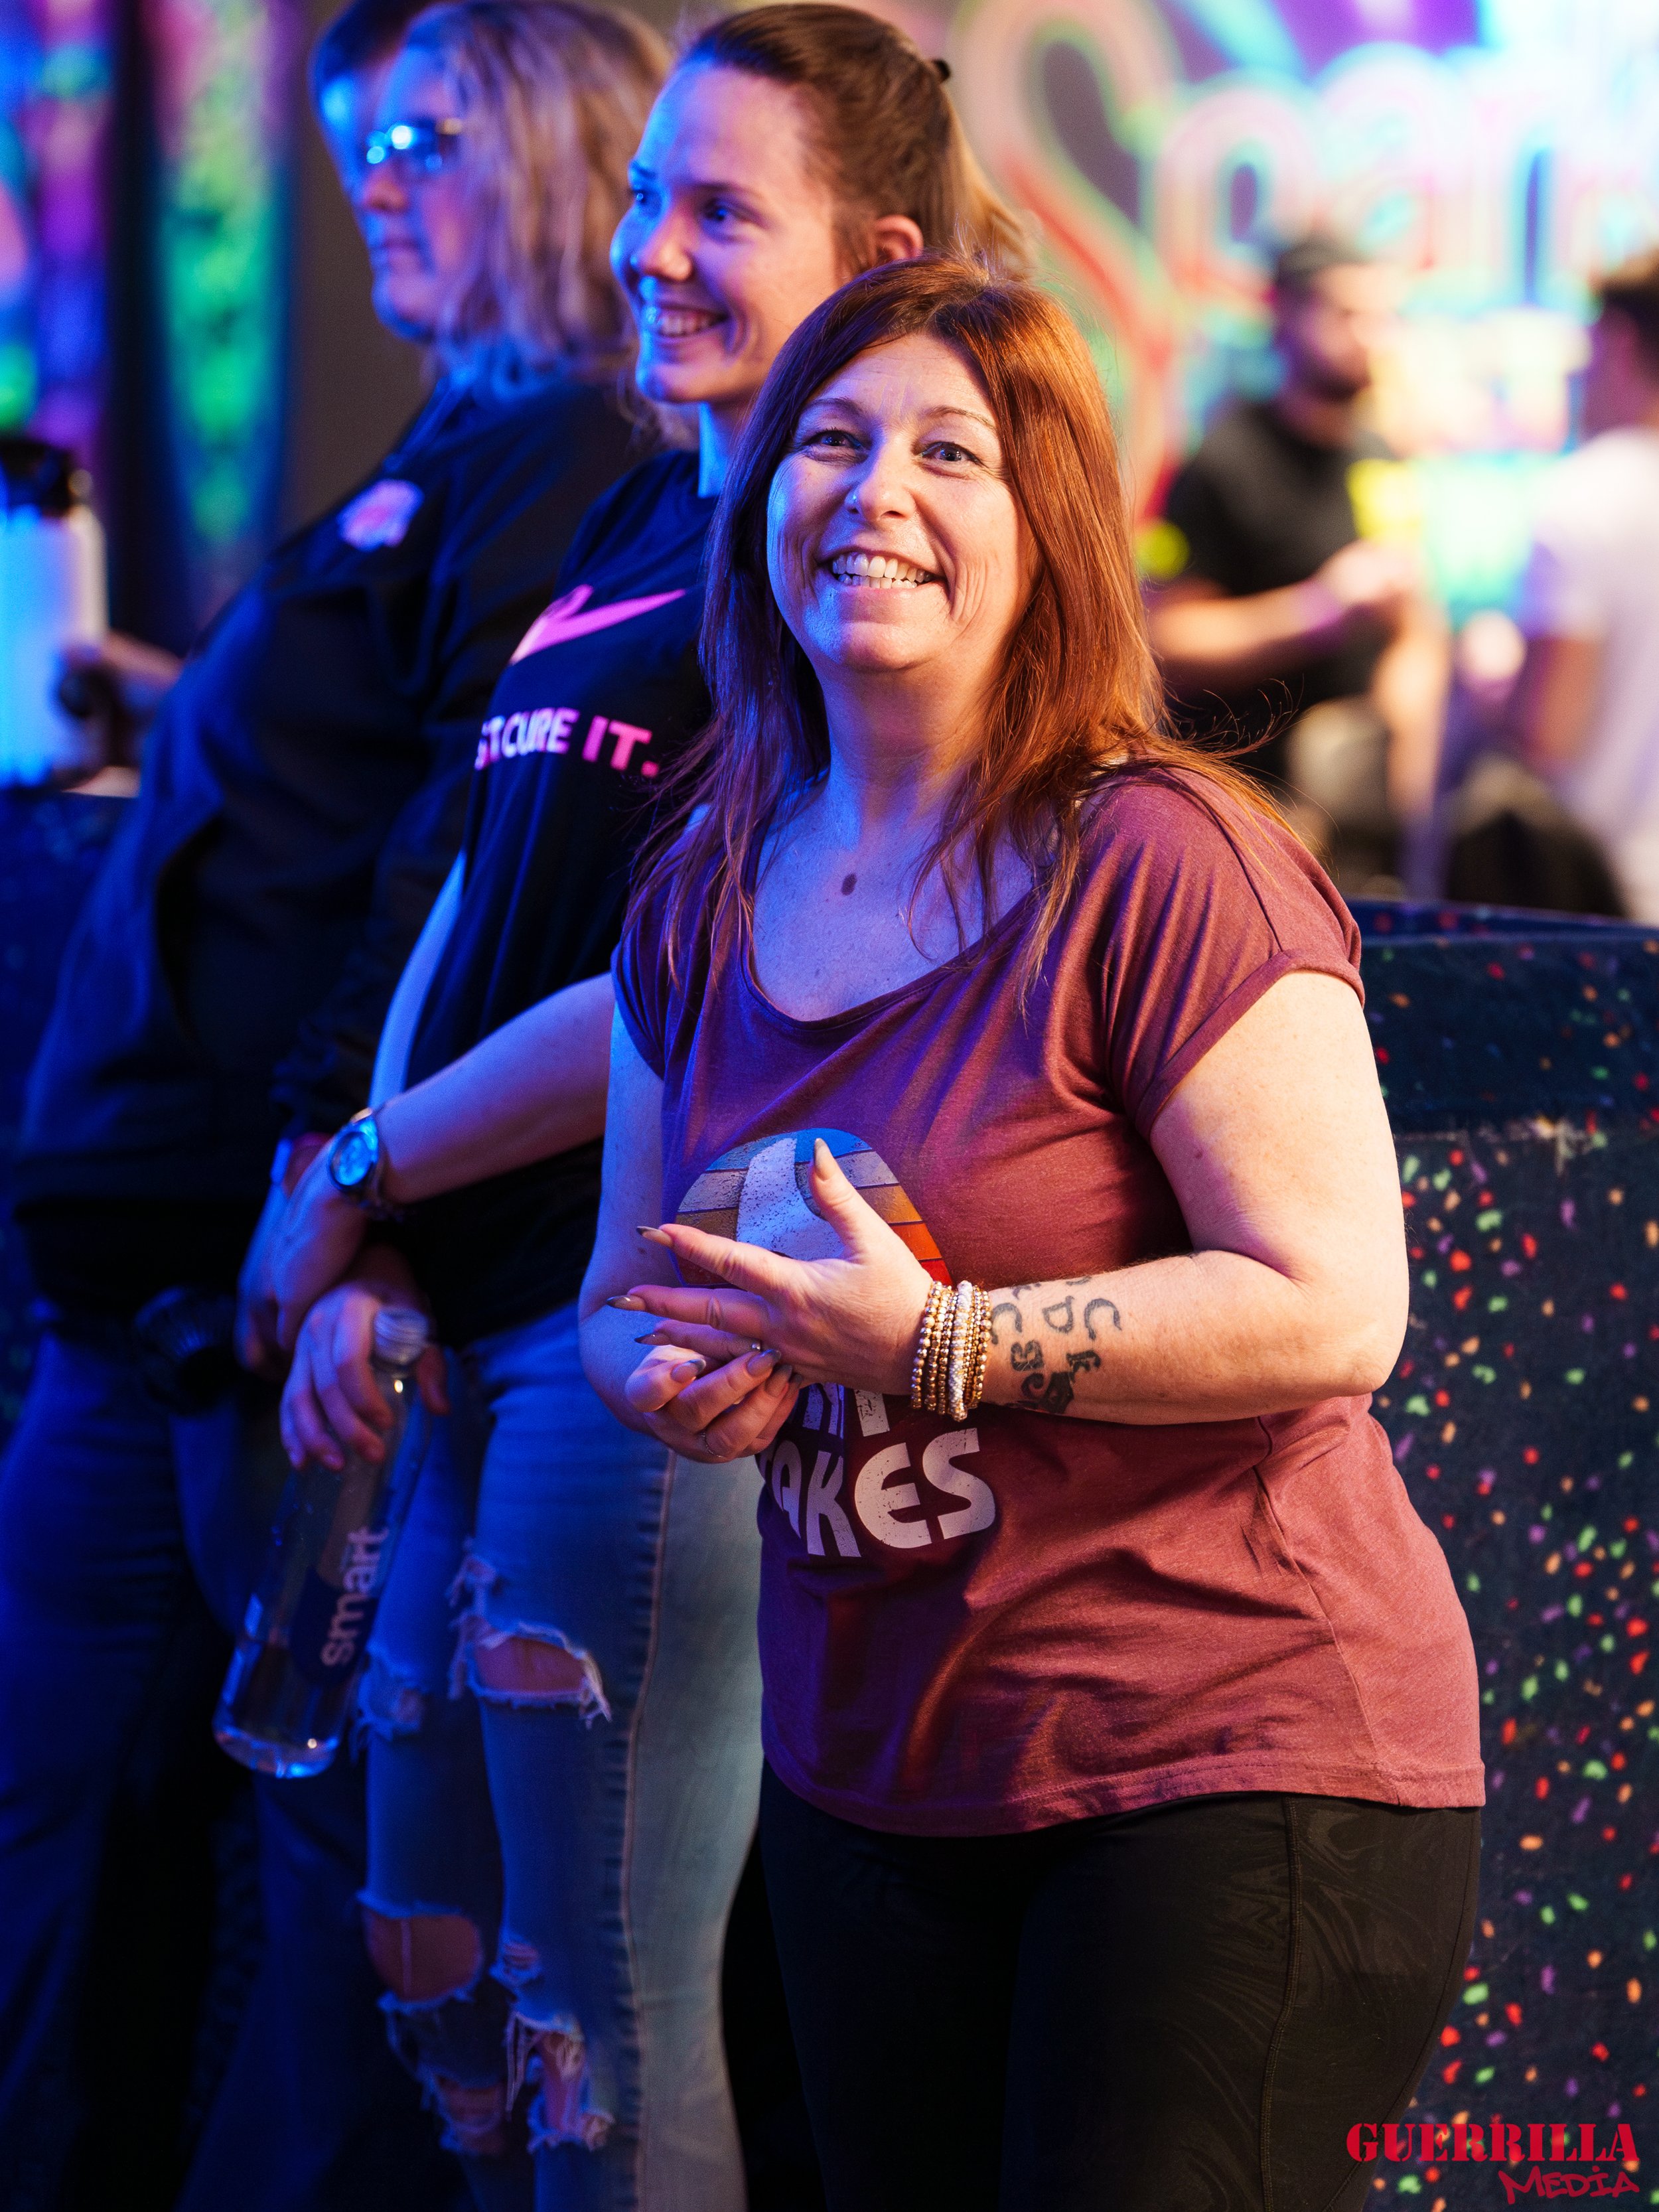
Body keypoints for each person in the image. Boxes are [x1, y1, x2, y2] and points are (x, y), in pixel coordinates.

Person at [580, 256, 1484, 2212]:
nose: (871, 491)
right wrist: (673, 1370)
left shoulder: (1160, 857)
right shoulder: (700, 883)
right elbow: (612, 1295)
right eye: (827, 442)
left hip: (1219, 1756)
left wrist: (929, 1344)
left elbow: (1335, 1302)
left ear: (1047, 523)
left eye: (946, 451)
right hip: (872, 1778)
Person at [267, 13, 1027, 2203]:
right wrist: (370, 1221)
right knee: (442, 1988)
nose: (648, 250)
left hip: (647, 1328)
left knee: (601, 2014)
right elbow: (486, 883)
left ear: (877, 254)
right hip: (459, 1315)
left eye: (718, 210)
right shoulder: (633, 501)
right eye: (643, 198)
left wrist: (368, 1167)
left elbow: (669, 986)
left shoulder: (845, 573)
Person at [0, 5, 663, 2206]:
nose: (373, 178)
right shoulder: (464, 439)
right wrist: (174, 702)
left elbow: (483, 861)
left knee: (329, 1927)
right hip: (169, 1289)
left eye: (424, 142)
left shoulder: (573, 452)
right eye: (361, 141)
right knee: (93, 1872)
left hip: (279, 1299)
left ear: (569, 165)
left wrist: (351, 1205)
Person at [1145, 233, 1448, 891]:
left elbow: (1411, 618)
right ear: (1284, 317)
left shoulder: (1379, 457)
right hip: (1247, 819)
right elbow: (1165, 644)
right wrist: (1322, 612)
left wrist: (1405, 747)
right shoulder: (1222, 463)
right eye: (1345, 315)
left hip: (1358, 827)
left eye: (1380, 317)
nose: (1368, 336)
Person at [1506, 248, 1659, 920]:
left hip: (1609, 911)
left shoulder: (1584, 498)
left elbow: (1546, 736)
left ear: (1618, 341)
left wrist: (1491, 690)